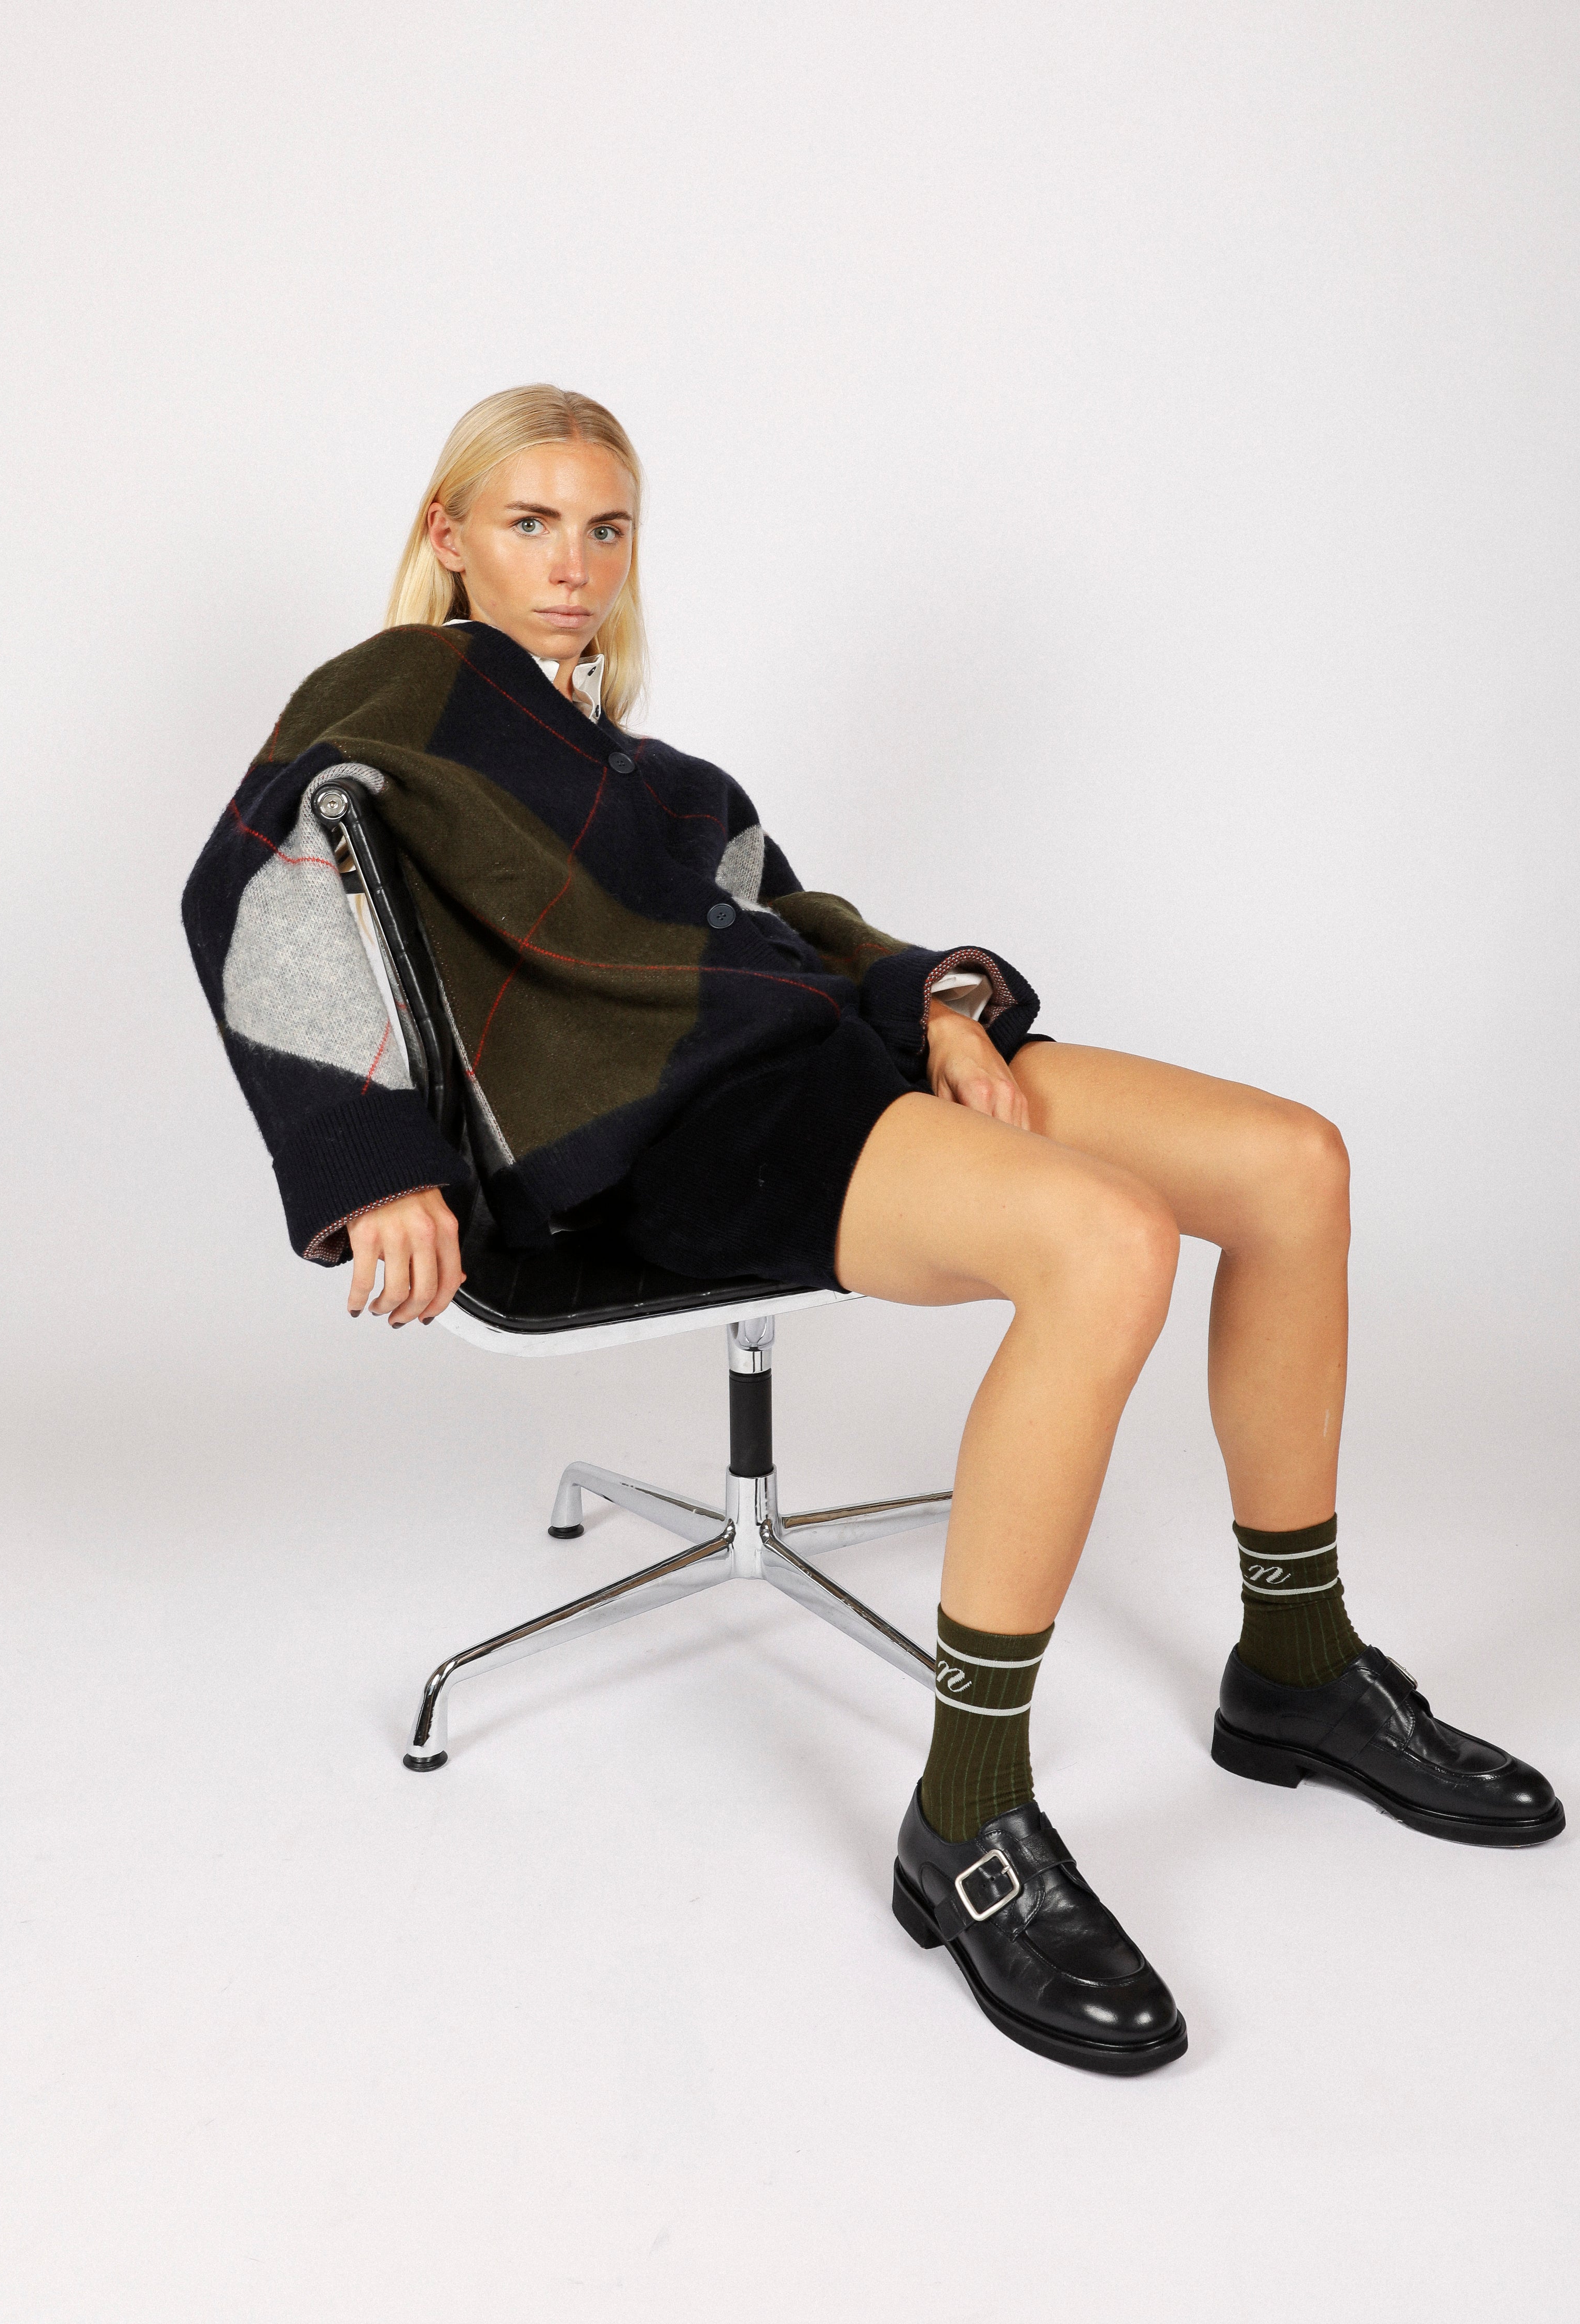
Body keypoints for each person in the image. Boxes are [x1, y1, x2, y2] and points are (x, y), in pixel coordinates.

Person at [183, 385, 1563, 2077]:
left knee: (1297, 1166)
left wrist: (938, 1011)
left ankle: (1299, 1666)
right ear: (449, 536)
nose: (573, 565)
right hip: (693, 1135)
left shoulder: (658, 775)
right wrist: (374, 1160)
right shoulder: (402, 687)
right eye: (530, 524)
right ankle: (969, 1815)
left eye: (606, 528)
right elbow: (244, 876)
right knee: (1108, 1245)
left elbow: (794, 918)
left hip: (838, 1057)